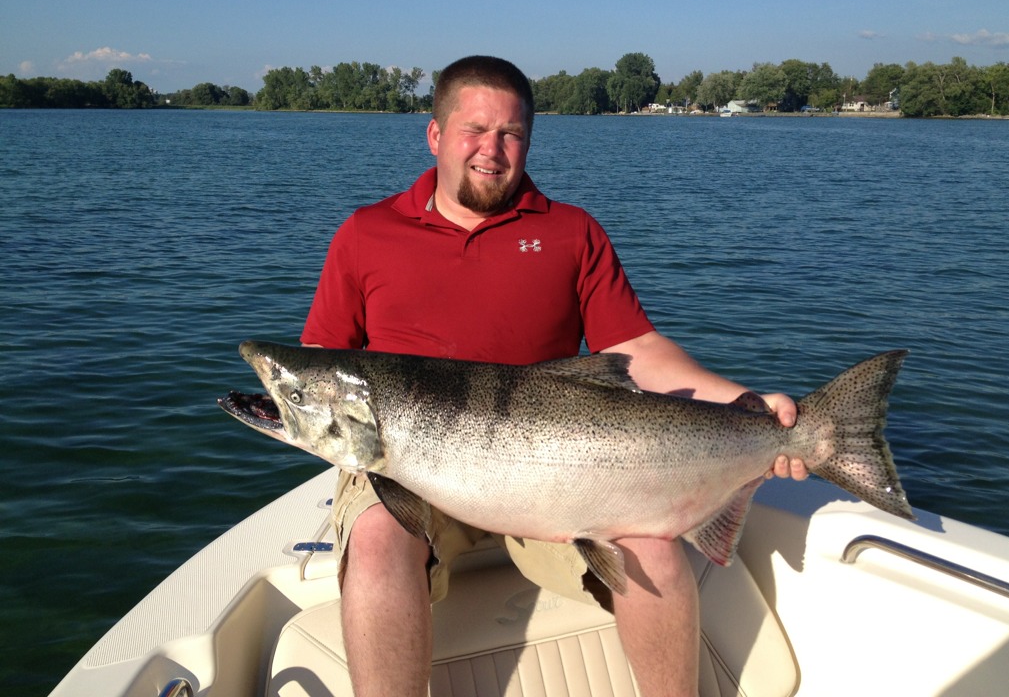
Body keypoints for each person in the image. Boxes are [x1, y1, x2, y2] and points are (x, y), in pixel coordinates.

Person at [301, 55, 807, 697]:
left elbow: (636, 349)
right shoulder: (366, 233)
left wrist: (744, 403)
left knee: (655, 553)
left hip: (557, 467)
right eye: (474, 130)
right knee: (375, 544)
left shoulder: (572, 232)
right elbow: (323, 363)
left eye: (510, 133)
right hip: (407, 466)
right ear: (435, 134)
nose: (492, 150)